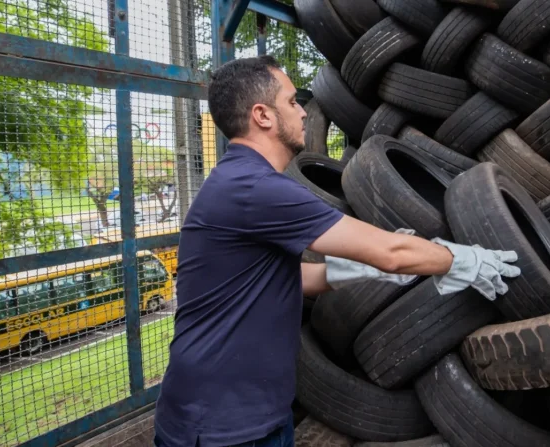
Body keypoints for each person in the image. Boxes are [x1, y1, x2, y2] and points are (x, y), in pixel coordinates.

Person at [153, 55, 521, 447]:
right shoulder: (256, 189)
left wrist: (358, 271)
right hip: (220, 427)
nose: (303, 113)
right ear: (263, 115)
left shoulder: (237, 181)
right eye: (293, 102)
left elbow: (285, 278)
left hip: (251, 414)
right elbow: (391, 251)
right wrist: (465, 260)